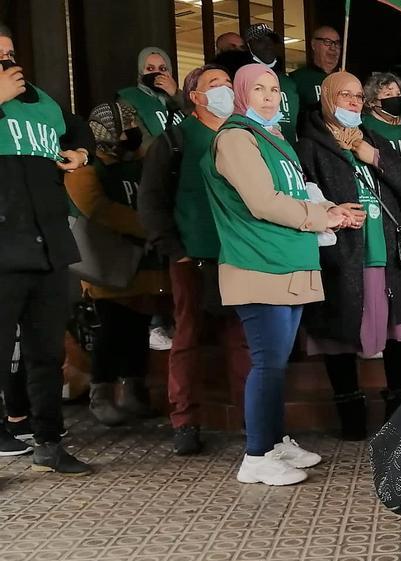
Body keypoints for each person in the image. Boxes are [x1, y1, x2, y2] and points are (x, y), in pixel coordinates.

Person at [201, 63, 356, 485]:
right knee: (267, 363)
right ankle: (256, 456)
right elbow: (263, 202)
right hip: (258, 264)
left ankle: (272, 440)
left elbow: (294, 193)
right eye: (259, 90)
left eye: (274, 90)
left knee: (277, 363)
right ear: (241, 95)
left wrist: (329, 211)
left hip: (285, 260)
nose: (269, 97)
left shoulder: (272, 138)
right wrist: (321, 217)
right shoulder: (235, 138)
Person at [296, 72, 401, 439]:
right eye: (345, 96)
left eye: (357, 97)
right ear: (328, 99)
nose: (353, 103)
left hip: (386, 254)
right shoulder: (310, 147)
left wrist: (370, 155)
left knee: (399, 332)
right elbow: (302, 196)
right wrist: (330, 209)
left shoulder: (371, 140)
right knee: (339, 333)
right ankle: (350, 412)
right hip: (345, 255)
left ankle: (397, 413)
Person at [141, 64, 251, 455]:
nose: (224, 89)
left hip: (239, 254)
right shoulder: (175, 140)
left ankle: (251, 421)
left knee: (242, 341)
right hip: (192, 256)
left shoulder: (244, 135)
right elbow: (151, 201)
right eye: (214, 84)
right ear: (195, 96)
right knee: (186, 336)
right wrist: (176, 250)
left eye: (227, 83)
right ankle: (184, 422)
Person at [0, 23, 93, 473]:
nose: (8, 61)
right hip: (3, 247)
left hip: (50, 245)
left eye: (10, 52)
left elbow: (79, 129)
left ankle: (49, 443)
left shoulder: (40, 100)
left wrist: (81, 153)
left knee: (47, 352)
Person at [66, 101, 171, 427]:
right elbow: (99, 210)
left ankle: (135, 391)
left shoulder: (139, 163)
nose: (132, 131)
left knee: (137, 330)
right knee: (111, 332)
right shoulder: (86, 170)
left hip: (144, 264)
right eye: (125, 126)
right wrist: (148, 226)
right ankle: (102, 394)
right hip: (110, 266)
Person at [245, 23, 301, 143]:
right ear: (249, 45)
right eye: (260, 41)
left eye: (271, 41)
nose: (268, 45)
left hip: (290, 152)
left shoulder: (288, 82)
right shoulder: (244, 80)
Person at [118, 47, 185, 138]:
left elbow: (196, 120)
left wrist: (175, 94)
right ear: (141, 71)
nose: (157, 73)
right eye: (150, 68)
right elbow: (140, 142)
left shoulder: (178, 97)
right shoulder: (129, 98)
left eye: (163, 69)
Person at [361, 72, 401, 165]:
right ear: (372, 101)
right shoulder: (365, 126)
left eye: (398, 94)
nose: (395, 98)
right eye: (388, 94)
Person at [289, 26, 341, 110]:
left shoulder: (345, 79)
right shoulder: (297, 78)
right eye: (327, 42)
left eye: (337, 43)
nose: (333, 47)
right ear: (313, 44)